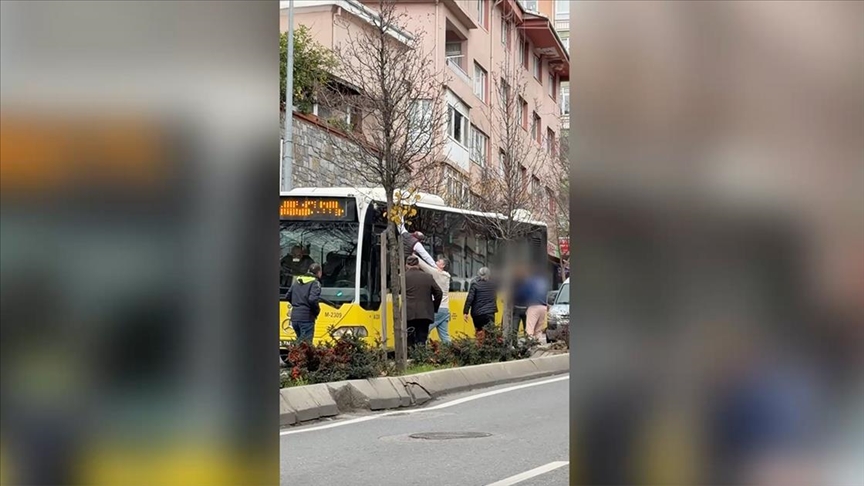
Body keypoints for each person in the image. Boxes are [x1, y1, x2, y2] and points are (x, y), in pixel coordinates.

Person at [404, 255, 442, 348]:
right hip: (424, 313)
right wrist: (434, 306)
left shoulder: (403, 277)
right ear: (418, 265)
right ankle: (420, 354)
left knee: (409, 338)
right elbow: (439, 292)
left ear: (406, 265)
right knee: (422, 338)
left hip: (408, 313)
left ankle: (411, 353)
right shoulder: (428, 277)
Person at [418, 255, 451, 343]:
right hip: (445, 309)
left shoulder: (438, 274)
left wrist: (412, 254)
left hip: (438, 308)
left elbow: (424, 266)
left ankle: (421, 350)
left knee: (424, 331)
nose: (436, 262)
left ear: (443, 266)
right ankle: (452, 350)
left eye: (438, 261)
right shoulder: (446, 276)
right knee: (444, 335)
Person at [286, 262, 322, 344]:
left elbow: (287, 296)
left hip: (295, 318)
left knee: (300, 344)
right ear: (319, 272)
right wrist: (316, 311)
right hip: (306, 318)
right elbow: (312, 300)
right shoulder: (315, 283)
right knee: (306, 345)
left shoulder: (297, 281)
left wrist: (297, 305)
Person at [463, 267, 498, 336]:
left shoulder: (475, 284)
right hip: (489, 313)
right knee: (490, 335)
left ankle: (480, 342)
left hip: (477, 313)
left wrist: (465, 312)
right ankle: (488, 343)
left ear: (478, 274)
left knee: (479, 334)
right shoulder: (493, 285)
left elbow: (470, 298)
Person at [523, 268, 550, 342]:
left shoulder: (530, 281)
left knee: (530, 329)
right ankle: (538, 345)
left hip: (533, 306)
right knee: (538, 330)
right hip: (543, 307)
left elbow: (524, 292)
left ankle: (529, 345)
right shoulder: (543, 283)